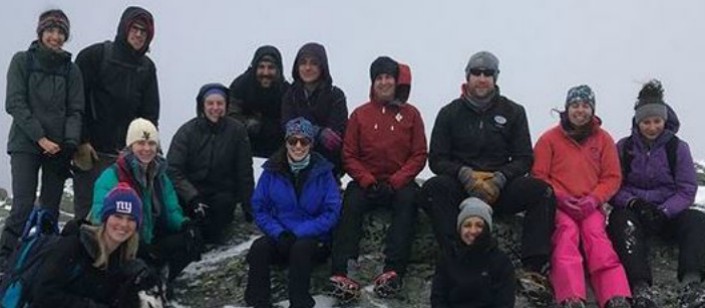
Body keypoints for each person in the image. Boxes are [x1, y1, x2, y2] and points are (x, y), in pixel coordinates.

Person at [421, 51, 556, 305]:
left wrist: (501, 178)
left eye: (488, 74)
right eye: (476, 73)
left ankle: (533, 269)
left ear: (496, 78)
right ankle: (455, 256)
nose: (481, 79)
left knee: (542, 192)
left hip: (500, 185)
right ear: (467, 76)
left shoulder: (514, 111)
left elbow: (524, 157)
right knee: (432, 188)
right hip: (463, 185)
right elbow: (437, 159)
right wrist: (463, 174)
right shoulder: (449, 113)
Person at [328, 57, 427, 301]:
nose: (383, 82)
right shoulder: (360, 115)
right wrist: (367, 180)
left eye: (388, 77)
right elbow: (349, 154)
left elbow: (419, 154)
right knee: (350, 204)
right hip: (366, 182)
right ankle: (343, 272)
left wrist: (396, 181)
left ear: (396, 81)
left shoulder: (411, 114)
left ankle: (393, 272)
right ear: (373, 83)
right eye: (378, 78)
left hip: (399, 183)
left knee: (408, 203)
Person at [607, 80, 705, 308]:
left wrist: (665, 210)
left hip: (668, 214)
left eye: (657, 121)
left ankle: (692, 285)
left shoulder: (678, 148)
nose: (652, 127)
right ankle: (640, 287)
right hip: (636, 212)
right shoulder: (624, 148)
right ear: (638, 122)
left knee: (697, 220)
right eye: (646, 122)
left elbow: (687, 188)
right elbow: (613, 185)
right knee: (620, 221)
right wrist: (634, 203)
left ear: (665, 120)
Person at [532, 85, 631, 308]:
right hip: (560, 206)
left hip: (590, 206)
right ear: (567, 109)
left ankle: (615, 294)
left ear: (592, 109)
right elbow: (539, 175)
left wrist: (594, 199)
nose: (580, 110)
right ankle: (571, 296)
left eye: (585, 105)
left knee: (597, 238)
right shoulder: (549, 139)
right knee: (566, 236)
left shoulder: (604, 139)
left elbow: (612, 176)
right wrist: (560, 198)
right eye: (575, 105)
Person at [0, 9, 84, 270]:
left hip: (58, 149)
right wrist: (41, 138)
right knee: (23, 205)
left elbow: (75, 110)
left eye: (61, 32)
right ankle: (4, 259)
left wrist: (70, 143)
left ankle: (41, 263)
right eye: (50, 31)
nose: (55, 37)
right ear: (41, 33)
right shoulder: (22, 61)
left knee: (50, 208)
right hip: (26, 145)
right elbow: (15, 103)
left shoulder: (71, 70)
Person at [90, 118, 199, 295]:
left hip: (151, 239)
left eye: (151, 143)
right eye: (141, 143)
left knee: (188, 241)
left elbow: (171, 209)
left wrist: (184, 224)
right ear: (130, 145)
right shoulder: (112, 176)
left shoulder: (160, 175)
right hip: (123, 244)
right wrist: (135, 242)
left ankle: (159, 278)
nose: (147, 149)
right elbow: (100, 216)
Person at [73, 6, 159, 220]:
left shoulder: (147, 68)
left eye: (144, 31)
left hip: (126, 157)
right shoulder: (93, 56)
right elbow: (75, 103)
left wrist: (144, 149)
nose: (139, 34)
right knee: (87, 216)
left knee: (123, 217)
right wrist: (81, 141)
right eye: (135, 28)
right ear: (124, 28)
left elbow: (149, 115)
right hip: (91, 153)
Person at [246, 117, 341, 308]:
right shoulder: (271, 170)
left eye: (304, 141)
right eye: (292, 141)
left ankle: (300, 302)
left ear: (311, 144)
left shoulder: (323, 172)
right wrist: (278, 233)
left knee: (301, 249)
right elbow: (259, 207)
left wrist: (299, 232)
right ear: (286, 142)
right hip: (280, 237)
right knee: (259, 248)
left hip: (313, 239)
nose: (298, 146)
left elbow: (332, 211)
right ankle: (258, 302)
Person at [30, 184, 159, 307]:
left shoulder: (125, 263)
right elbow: (43, 293)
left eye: (131, 219)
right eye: (118, 216)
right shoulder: (74, 246)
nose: (124, 224)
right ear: (105, 218)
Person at [167, 83, 254, 244]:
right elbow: (173, 169)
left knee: (220, 213)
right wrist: (192, 197)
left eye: (220, 103)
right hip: (190, 193)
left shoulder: (237, 131)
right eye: (210, 103)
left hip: (221, 194)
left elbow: (244, 171)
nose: (215, 108)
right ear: (202, 106)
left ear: (226, 106)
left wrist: (248, 204)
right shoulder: (187, 132)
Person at [430, 197, 515, 307]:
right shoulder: (447, 257)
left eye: (479, 225)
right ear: (459, 229)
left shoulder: (501, 262)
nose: (473, 231)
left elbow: (505, 303)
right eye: (467, 225)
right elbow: (438, 298)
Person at [281, 42, 348, 178]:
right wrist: (318, 132)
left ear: (322, 66)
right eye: (303, 63)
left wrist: (305, 129)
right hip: (296, 152)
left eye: (313, 63)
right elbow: (288, 125)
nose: (307, 68)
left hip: (327, 158)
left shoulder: (336, 95)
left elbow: (334, 134)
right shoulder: (290, 94)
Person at [229, 45, 290, 158]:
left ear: (278, 70)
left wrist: (264, 125)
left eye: (270, 67)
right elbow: (230, 115)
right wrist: (250, 123)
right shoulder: (240, 86)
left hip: (277, 150)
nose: (265, 72)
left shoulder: (287, 91)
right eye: (261, 67)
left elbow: (290, 121)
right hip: (244, 146)